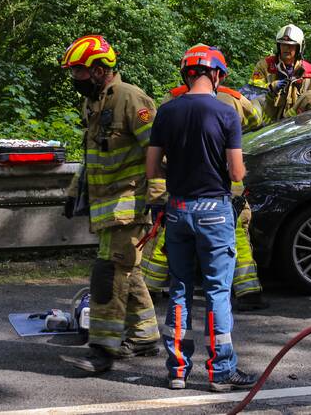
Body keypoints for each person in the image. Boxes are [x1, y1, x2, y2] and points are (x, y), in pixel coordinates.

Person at [146, 44, 256, 391]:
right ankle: (220, 372)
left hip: (177, 209)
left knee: (178, 288)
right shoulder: (226, 113)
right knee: (217, 291)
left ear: (186, 75)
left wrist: (176, 168)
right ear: (217, 76)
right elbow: (237, 174)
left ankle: (177, 370)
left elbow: (152, 168)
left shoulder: (166, 111)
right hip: (214, 212)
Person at [59, 35, 162, 374]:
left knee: (108, 274)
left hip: (131, 206)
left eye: (79, 72)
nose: (75, 79)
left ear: (101, 71)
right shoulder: (93, 104)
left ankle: (102, 349)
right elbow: (92, 153)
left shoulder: (132, 100)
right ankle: (146, 337)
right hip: (107, 208)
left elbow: (161, 152)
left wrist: (159, 198)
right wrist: (76, 190)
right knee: (126, 273)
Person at [142, 52, 268, 312]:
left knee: (168, 244)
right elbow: (257, 120)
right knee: (236, 239)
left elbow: (153, 161)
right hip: (223, 193)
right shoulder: (233, 101)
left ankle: (149, 288)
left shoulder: (172, 101)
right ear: (217, 75)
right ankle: (248, 292)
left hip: (182, 192)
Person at [250, 24, 311, 122]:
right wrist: (271, 88)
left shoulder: (309, 72)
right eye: (283, 44)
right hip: (267, 127)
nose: (286, 48)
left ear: (299, 48)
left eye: (291, 45)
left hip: (297, 127)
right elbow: (251, 93)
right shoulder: (264, 66)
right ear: (278, 46)